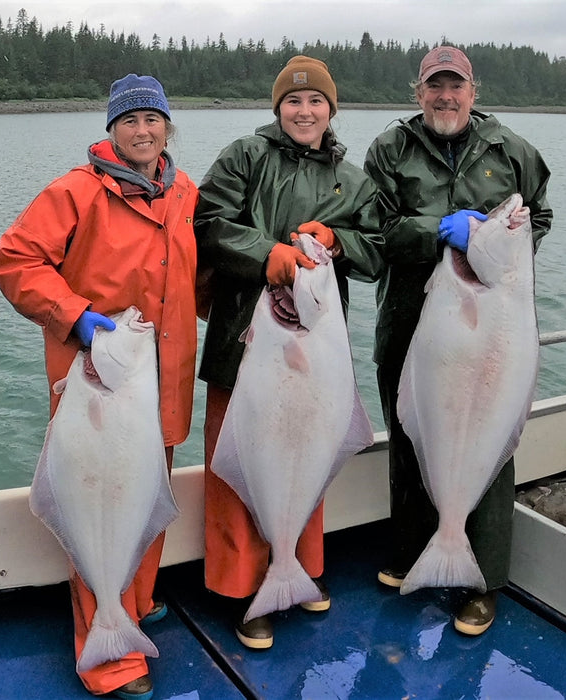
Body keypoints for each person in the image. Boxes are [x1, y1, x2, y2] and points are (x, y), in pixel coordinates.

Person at [0, 74, 198, 699]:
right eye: (130, 120)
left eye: (153, 119)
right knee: (98, 503)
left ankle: (135, 600)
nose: (143, 130)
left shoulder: (184, 189)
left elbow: (199, 270)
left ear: (167, 127)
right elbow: (15, 261)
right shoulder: (75, 192)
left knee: (149, 495)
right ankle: (107, 651)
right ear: (111, 129)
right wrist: (73, 314)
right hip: (96, 383)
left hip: (162, 380)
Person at [194, 55, 384, 650]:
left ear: (332, 109)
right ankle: (244, 592)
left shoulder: (351, 179)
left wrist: (340, 239)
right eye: (293, 102)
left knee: (307, 458)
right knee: (239, 466)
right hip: (243, 345)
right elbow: (208, 220)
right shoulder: (244, 156)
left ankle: (297, 571)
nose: (305, 111)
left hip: (316, 351)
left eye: (316, 102)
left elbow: (377, 250)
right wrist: (264, 253)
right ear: (277, 109)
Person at [364, 46, 553, 636]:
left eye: (456, 86)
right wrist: (434, 233)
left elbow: (539, 215)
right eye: (434, 87)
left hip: (492, 322)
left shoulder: (513, 151)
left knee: (490, 443)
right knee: (412, 433)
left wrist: (495, 247)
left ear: (474, 92)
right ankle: (413, 550)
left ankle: (481, 582)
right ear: (417, 93)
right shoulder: (389, 150)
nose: (445, 97)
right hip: (409, 315)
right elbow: (373, 229)